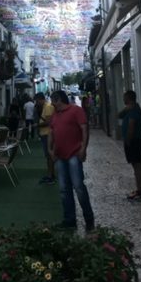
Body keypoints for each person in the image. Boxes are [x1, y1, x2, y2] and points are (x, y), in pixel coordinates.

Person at [49, 90, 95, 232]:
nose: (52, 104)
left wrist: (83, 149)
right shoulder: (55, 115)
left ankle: (89, 220)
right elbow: (52, 132)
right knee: (64, 190)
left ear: (59, 100)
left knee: (79, 187)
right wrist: (51, 151)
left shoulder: (76, 110)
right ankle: (69, 220)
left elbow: (84, 129)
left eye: (53, 101)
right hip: (60, 157)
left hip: (74, 154)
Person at [120, 90, 141, 201]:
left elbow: (131, 126)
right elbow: (119, 115)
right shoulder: (130, 109)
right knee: (137, 165)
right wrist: (126, 109)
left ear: (129, 98)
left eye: (124, 97)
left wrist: (128, 140)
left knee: (137, 166)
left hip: (134, 141)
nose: (123, 99)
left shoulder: (134, 111)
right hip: (135, 140)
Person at [35, 93, 56, 184]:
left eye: (37, 100)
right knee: (48, 156)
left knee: (49, 156)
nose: (36, 103)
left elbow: (48, 121)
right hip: (45, 134)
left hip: (47, 134)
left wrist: (37, 125)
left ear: (41, 99)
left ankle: (50, 176)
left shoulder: (47, 107)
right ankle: (50, 174)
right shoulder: (46, 106)